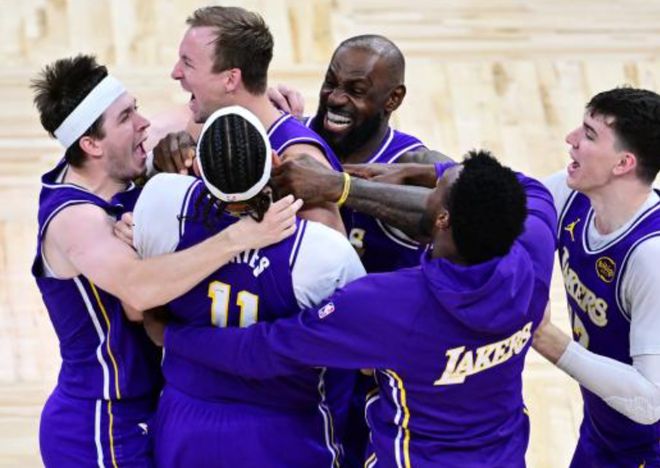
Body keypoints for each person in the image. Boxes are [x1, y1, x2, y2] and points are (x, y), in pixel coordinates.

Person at [145, 150, 557, 466]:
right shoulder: (535, 249)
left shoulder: (392, 305)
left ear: (442, 219)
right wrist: (432, 173)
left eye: (434, 191)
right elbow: (529, 189)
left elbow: (268, 349)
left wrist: (176, 337)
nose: (428, 190)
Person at [31, 54, 301, 467]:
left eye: (135, 107)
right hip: (99, 422)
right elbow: (140, 291)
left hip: (147, 407)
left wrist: (262, 101)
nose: (143, 123)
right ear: (91, 144)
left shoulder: (117, 156)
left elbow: (193, 112)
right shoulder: (75, 221)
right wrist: (241, 237)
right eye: (127, 117)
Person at [132, 106, 365, 467]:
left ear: (198, 169)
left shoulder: (161, 202)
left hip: (186, 421)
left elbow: (151, 319)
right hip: (285, 430)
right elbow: (360, 345)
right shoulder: (321, 251)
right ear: (274, 161)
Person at [533, 87, 660, 467]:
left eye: (589, 135)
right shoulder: (571, 193)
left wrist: (546, 338)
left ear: (623, 163)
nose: (570, 138)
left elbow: (650, 402)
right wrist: (436, 174)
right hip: (603, 429)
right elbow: (498, 213)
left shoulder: (650, 258)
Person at [153, 5, 345, 233]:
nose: (175, 73)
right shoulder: (202, 127)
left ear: (230, 79)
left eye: (187, 63)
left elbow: (335, 254)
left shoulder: (299, 164)